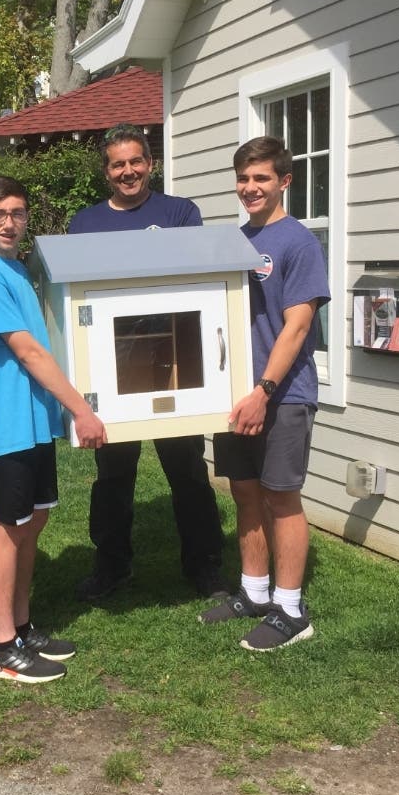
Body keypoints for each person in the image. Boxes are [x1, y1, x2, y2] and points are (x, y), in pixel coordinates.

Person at [68, 123, 226, 601]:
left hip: (174, 362)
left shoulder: (179, 213)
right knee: (113, 477)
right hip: (112, 368)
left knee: (188, 473)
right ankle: (111, 569)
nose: (128, 171)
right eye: (118, 164)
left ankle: (205, 569)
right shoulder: (85, 223)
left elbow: (191, 280)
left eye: (136, 161)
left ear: (150, 164)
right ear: (106, 171)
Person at [0, 176, 107, 683]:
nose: (9, 222)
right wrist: (81, 410)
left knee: (33, 522)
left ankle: (21, 627)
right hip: (8, 424)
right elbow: (27, 350)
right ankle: (0, 647)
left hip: (34, 421)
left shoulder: (16, 269)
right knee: (8, 528)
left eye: (17, 213)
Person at [201, 136, 330, 652]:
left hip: (282, 395)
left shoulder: (298, 243)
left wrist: (264, 390)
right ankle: (254, 593)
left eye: (261, 179)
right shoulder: (234, 242)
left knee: (281, 497)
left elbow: (297, 326)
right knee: (245, 491)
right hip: (237, 394)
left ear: (284, 182)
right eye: (244, 179)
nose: (250, 188)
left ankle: (291, 609)